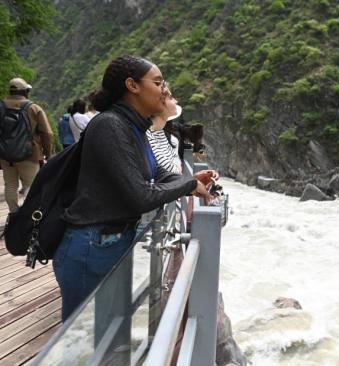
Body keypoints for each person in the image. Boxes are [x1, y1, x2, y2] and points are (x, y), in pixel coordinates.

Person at [53, 55, 216, 321]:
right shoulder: (110, 125)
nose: (164, 90)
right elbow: (140, 195)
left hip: (112, 242)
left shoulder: (132, 128)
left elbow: (159, 173)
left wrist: (193, 182)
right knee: (83, 336)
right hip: (91, 245)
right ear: (132, 85)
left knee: (110, 334)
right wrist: (188, 183)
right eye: (158, 82)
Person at [0, 78, 53, 212]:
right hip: (30, 153)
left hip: (6, 154)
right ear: (25, 91)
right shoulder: (33, 108)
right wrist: (48, 153)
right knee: (30, 185)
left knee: (10, 185)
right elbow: (47, 133)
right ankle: (28, 215)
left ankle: (13, 213)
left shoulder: (1, 106)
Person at [146, 89, 182, 174]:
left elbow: (176, 164)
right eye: (171, 98)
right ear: (158, 103)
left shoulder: (161, 133)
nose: (175, 101)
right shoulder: (147, 136)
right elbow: (173, 172)